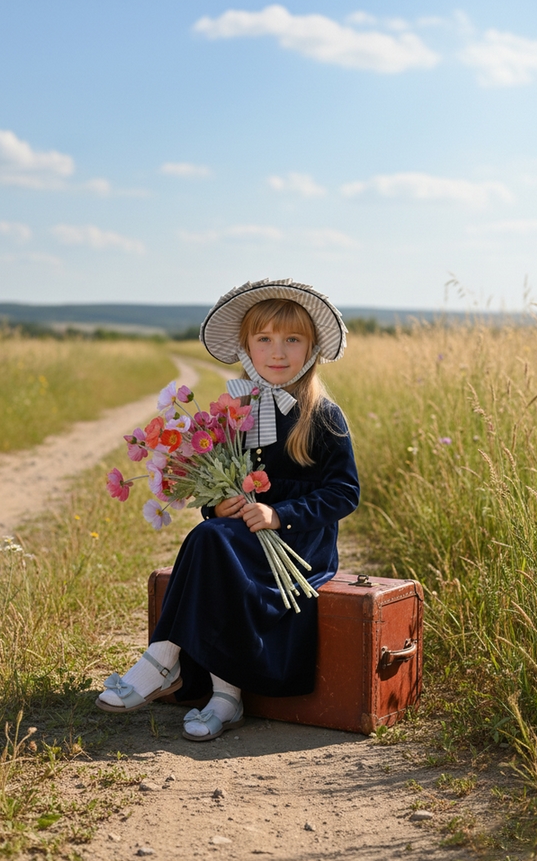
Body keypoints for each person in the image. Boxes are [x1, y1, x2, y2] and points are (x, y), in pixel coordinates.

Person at [96, 278, 360, 741]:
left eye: (292, 340)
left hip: (299, 543)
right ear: (247, 347)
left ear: (312, 347)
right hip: (241, 535)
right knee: (211, 535)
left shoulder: (322, 414)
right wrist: (216, 505)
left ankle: (166, 663)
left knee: (213, 543)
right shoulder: (237, 410)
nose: (278, 352)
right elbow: (216, 478)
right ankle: (222, 695)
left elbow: (344, 492)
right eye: (265, 340)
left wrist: (281, 514)